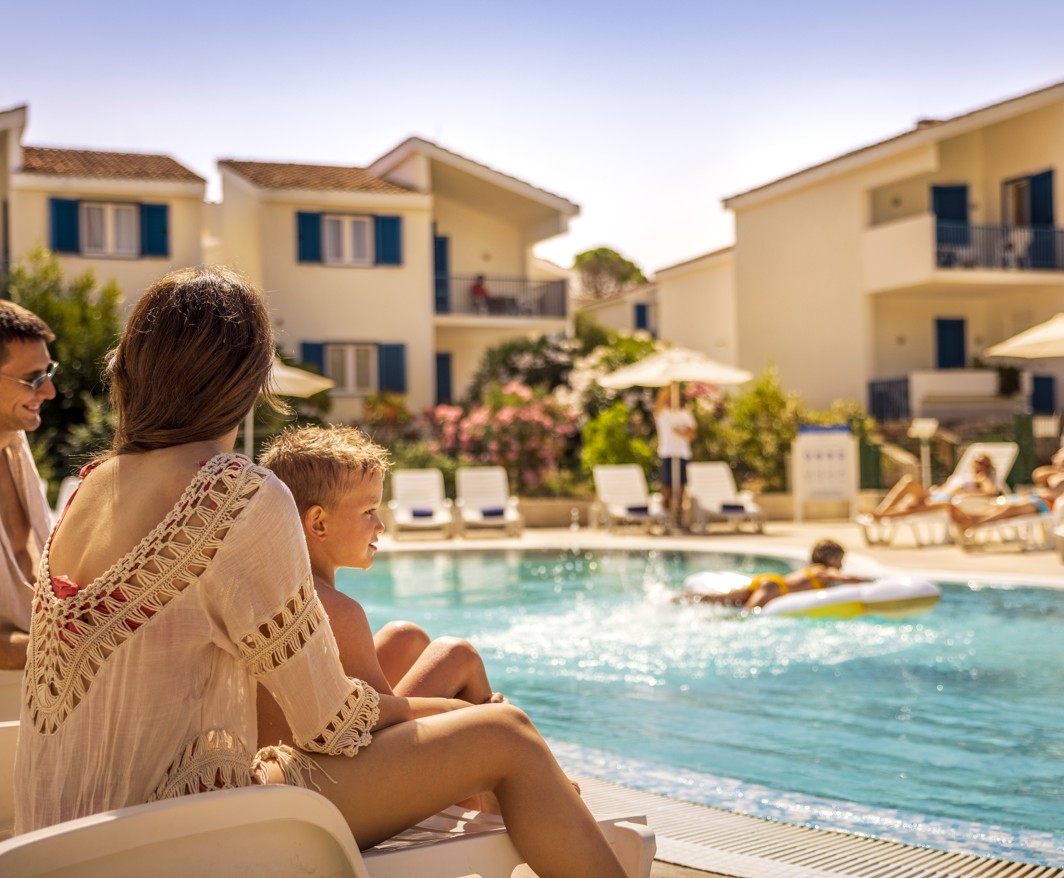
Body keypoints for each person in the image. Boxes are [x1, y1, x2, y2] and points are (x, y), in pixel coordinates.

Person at [12, 266, 626, 878]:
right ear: (247, 377)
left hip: (67, 838)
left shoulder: (92, 487)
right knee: (507, 734)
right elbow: (327, 722)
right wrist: (446, 711)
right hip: (173, 835)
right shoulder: (234, 493)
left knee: (473, 717)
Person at [257, 424, 504, 737]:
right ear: (318, 523)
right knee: (458, 656)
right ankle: (493, 775)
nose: (381, 525)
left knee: (407, 636)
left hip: (292, 744)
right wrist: (467, 712)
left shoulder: (274, 587)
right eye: (369, 511)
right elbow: (372, 732)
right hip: (329, 774)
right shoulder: (335, 610)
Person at [0, 300, 58, 669]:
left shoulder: (15, 447)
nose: (49, 391)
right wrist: (71, 653)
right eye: (33, 378)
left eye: (49, 372)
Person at [678, 539, 870, 612]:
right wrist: (870, 582)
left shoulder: (811, 569)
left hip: (769, 582)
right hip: (774, 588)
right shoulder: (823, 570)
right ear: (832, 558)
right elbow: (845, 579)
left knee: (723, 600)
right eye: (841, 560)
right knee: (747, 615)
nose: (842, 565)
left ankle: (681, 598)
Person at [867, 452, 999, 523]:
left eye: (983, 463)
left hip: (947, 502)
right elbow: (947, 487)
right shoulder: (964, 475)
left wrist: (965, 494)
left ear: (988, 466)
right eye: (977, 462)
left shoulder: (982, 478)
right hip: (936, 495)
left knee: (911, 501)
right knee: (909, 484)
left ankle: (880, 514)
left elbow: (991, 493)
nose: (979, 465)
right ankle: (881, 513)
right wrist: (937, 489)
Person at [653, 384, 696, 517]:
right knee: (667, 487)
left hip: (682, 454)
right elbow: (658, 403)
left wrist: (681, 433)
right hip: (668, 453)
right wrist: (669, 386)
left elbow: (691, 434)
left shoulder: (685, 414)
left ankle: (679, 517)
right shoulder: (663, 414)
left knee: (682, 487)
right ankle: (665, 516)